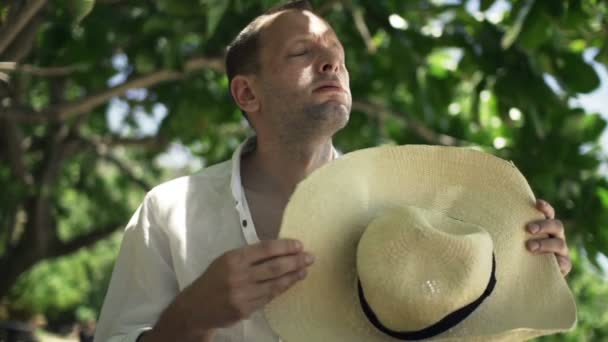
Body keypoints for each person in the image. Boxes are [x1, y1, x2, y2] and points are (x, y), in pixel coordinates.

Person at [93, 1, 572, 341]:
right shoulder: (168, 210)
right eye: (302, 53)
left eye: (337, 56)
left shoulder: (403, 219)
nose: (332, 64)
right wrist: (190, 319)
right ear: (246, 94)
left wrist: (522, 275)